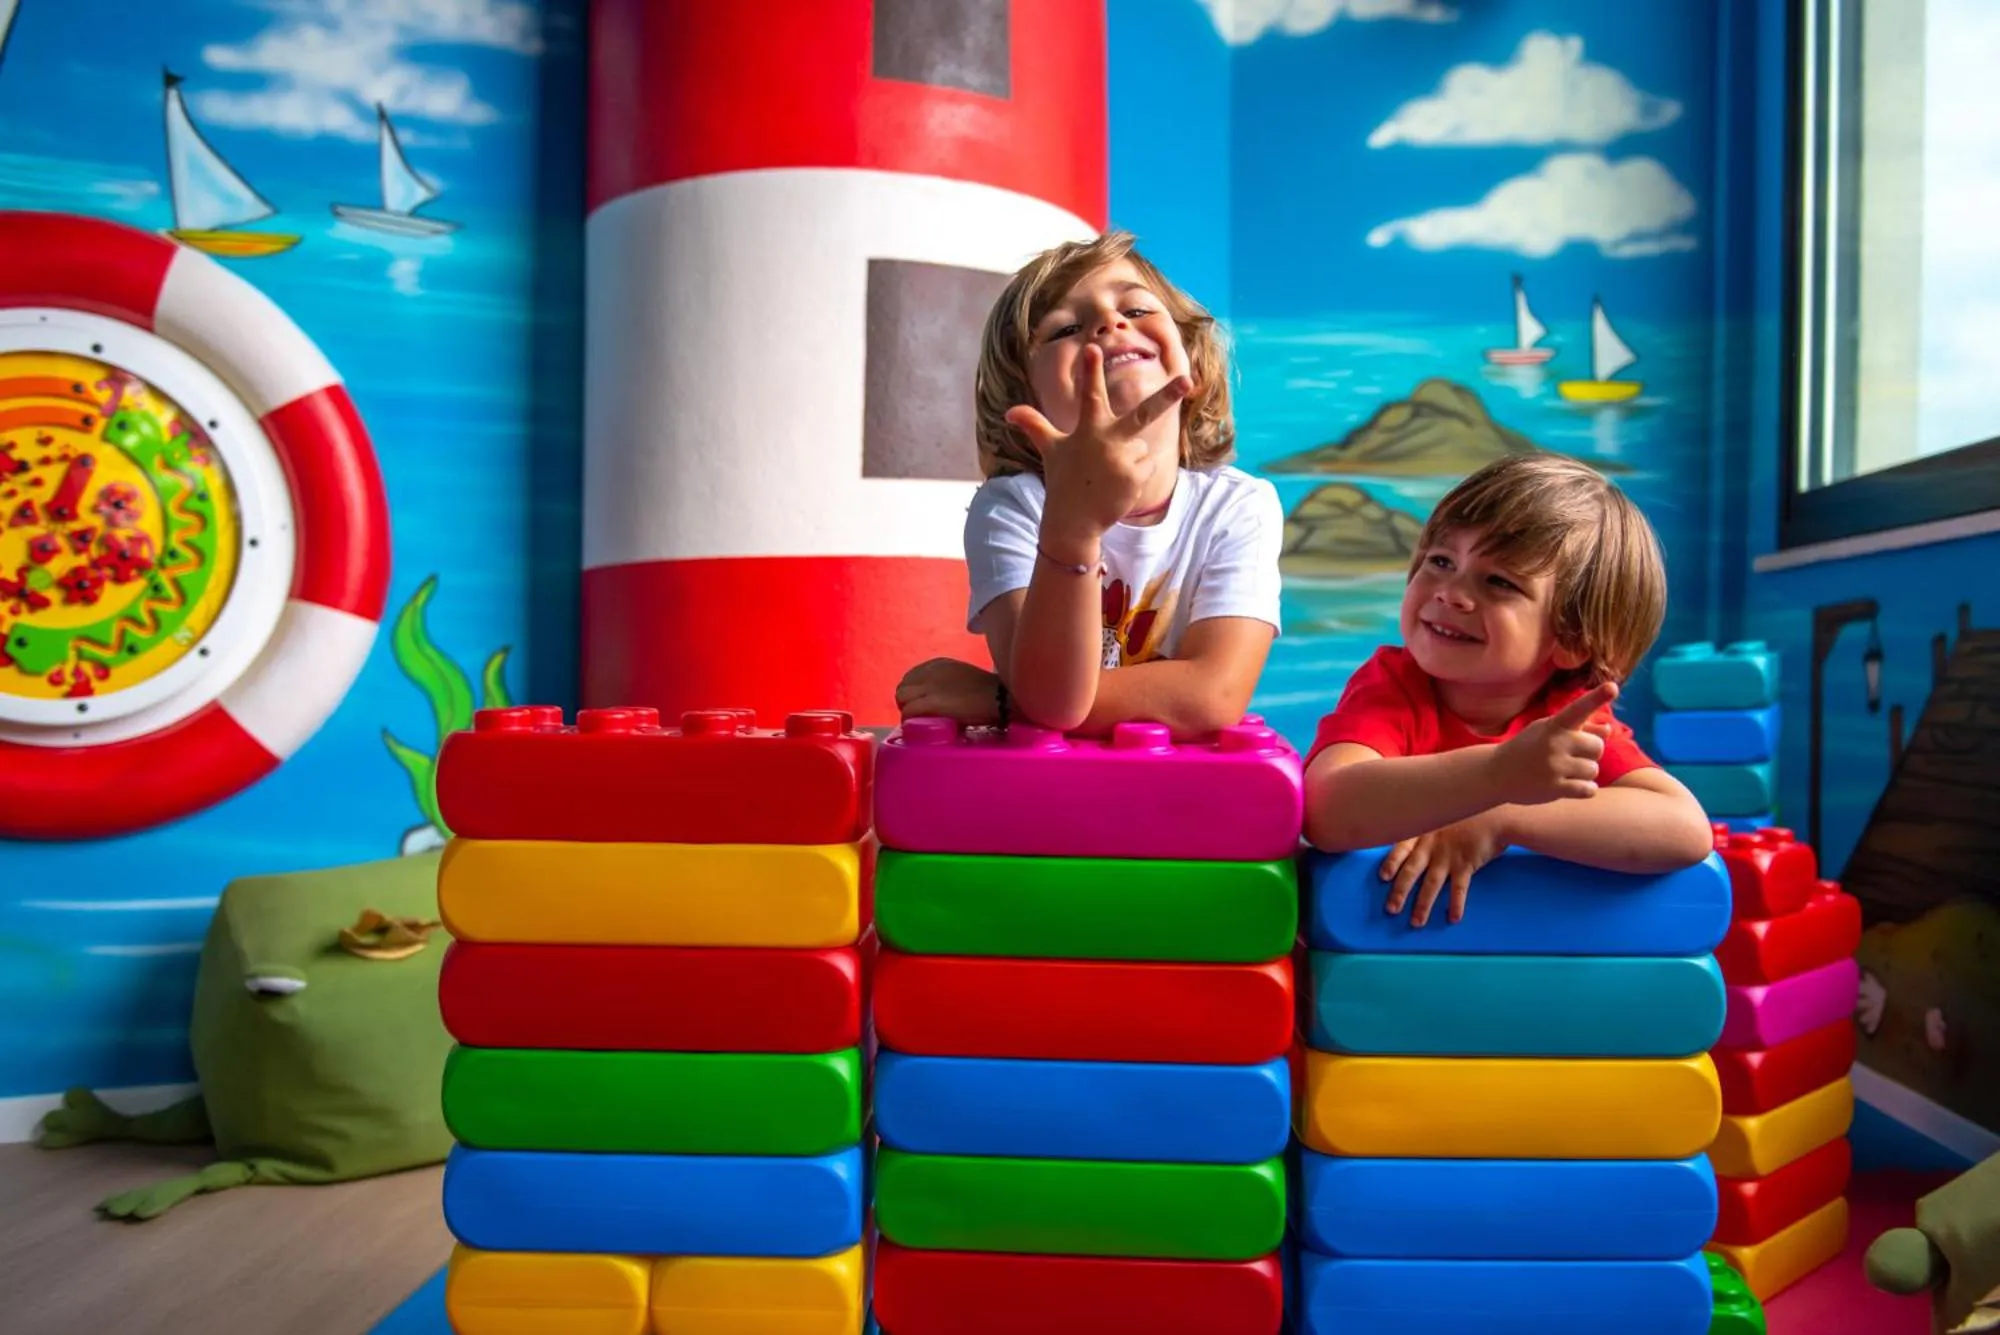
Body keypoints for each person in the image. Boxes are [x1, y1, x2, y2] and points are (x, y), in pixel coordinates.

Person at [894, 231, 1284, 737]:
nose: (1110, 322)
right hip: (1047, 798)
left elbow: (1213, 695)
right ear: (1023, 399)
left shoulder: (1238, 506)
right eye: (1067, 328)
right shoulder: (1013, 507)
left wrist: (1003, 700)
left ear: (1191, 355)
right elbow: (1055, 700)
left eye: (1139, 310)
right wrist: (1073, 527)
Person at [1302, 452, 1714, 928]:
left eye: (1498, 582)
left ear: (1572, 641)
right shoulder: (1396, 686)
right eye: (1440, 560)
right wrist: (1499, 774)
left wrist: (1502, 818)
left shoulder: (1568, 718)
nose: (1449, 592)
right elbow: (1324, 811)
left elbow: (1684, 829)